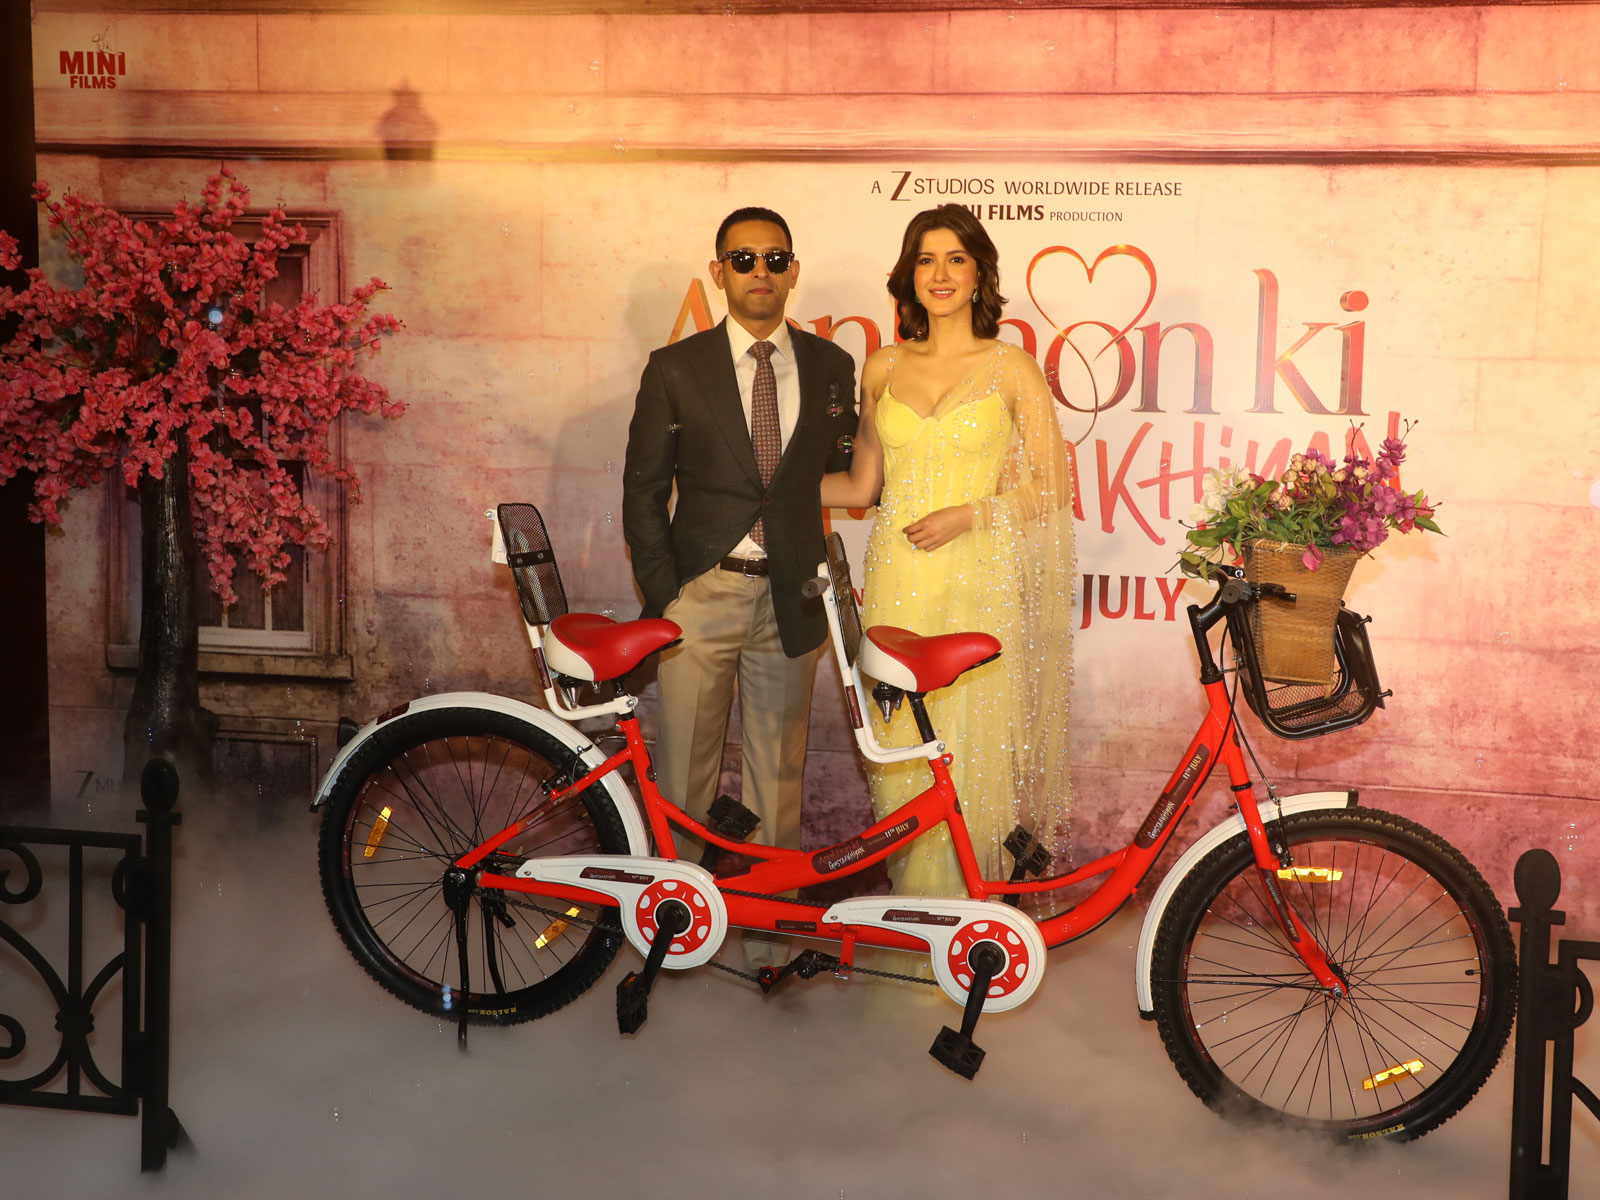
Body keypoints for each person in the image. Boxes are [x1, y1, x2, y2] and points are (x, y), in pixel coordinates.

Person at [821, 204, 1074, 899]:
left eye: (955, 259)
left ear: (979, 274)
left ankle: (963, 919)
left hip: (978, 576)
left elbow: (1054, 484)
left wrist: (970, 514)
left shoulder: (1012, 368)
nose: (940, 273)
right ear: (909, 276)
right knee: (900, 749)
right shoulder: (881, 367)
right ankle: (912, 912)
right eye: (926, 260)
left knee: (970, 749)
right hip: (897, 578)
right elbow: (861, 485)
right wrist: (756, 486)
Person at [623, 206, 859, 937]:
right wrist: (669, 595)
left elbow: (843, 469)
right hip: (702, 594)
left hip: (792, 595)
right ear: (718, 272)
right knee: (685, 774)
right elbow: (642, 492)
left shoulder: (830, 366)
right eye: (744, 259)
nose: (761, 271)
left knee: (777, 776)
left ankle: (767, 930)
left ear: (794, 271)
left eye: (775, 259)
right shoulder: (675, 368)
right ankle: (674, 925)